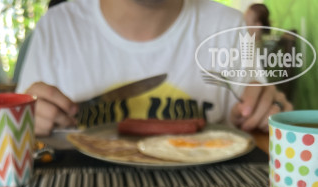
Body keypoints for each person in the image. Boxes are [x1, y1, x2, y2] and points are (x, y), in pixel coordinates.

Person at [16, 0, 292, 136]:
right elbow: (16, 135)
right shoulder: (57, 26)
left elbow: (258, 122)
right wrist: (24, 123)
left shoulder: (228, 27)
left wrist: (267, 114)